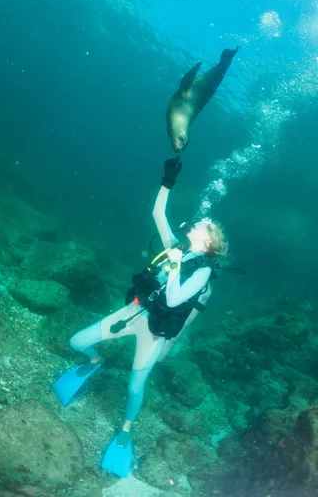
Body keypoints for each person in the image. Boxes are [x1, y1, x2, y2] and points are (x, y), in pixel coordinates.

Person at [53, 157, 228, 477]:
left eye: (204, 224)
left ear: (209, 240)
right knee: (77, 341)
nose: (198, 221)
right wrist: (167, 181)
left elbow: (175, 298)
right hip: (133, 311)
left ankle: (125, 432)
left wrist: (175, 267)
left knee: (135, 388)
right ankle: (93, 362)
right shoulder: (177, 247)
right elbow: (157, 214)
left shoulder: (202, 271)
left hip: (157, 332)